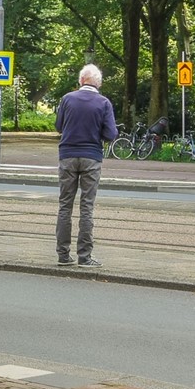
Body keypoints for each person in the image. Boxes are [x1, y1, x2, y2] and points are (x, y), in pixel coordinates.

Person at [55, 63, 118, 266]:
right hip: (91, 157)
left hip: (67, 155)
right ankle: (84, 256)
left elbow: (58, 126)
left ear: (82, 80)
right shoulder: (104, 103)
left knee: (65, 205)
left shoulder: (67, 99)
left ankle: (63, 255)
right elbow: (111, 134)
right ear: (98, 84)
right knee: (87, 207)